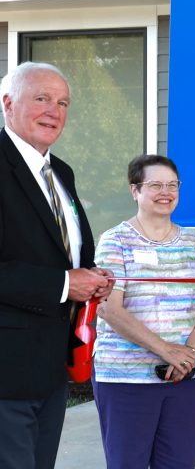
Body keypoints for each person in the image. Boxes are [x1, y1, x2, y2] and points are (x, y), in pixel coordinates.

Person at [0, 62, 111, 469]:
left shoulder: (61, 171)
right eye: (42, 98)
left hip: (52, 364)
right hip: (7, 370)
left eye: (62, 102)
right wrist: (65, 284)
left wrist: (94, 276)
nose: (54, 110)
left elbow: (68, 251)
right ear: (8, 104)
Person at [92, 154, 195, 468]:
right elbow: (109, 309)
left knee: (179, 463)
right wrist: (166, 350)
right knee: (128, 462)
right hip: (126, 377)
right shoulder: (115, 241)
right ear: (135, 190)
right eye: (155, 185)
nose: (166, 192)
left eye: (172, 185)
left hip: (186, 375)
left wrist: (187, 353)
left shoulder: (193, 244)